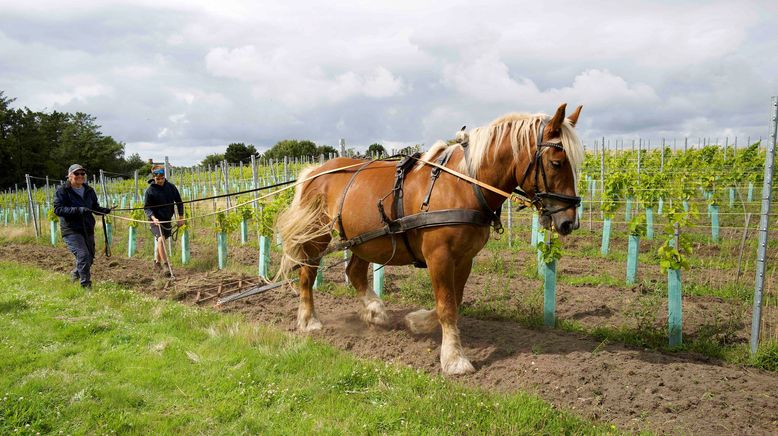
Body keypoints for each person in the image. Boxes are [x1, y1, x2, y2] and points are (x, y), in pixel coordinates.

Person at [53, 164, 111, 288]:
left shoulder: (89, 190)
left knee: (89, 258)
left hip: (87, 227)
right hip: (71, 229)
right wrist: (78, 210)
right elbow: (58, 210)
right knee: (83, 255)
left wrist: (103, 210)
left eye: (82, 174)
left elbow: (94, 207)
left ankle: (75, 274)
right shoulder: (62, 191)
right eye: (76, 173)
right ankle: (86, 286)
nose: (80, 176)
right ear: (69, 176)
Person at [143, 164, 184, 275]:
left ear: (164, 176)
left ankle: (157, 262)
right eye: (158, 179)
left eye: (162, 178)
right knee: (161, 239)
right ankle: (166, 265)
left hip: (167, 219)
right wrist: (153, 218)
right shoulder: (150, 191)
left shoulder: (171, 187)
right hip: (155, 220)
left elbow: (179, 202)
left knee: (161, 240)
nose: (160, 181)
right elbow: (147, 208)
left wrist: (180, 217)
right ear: (153, 177)